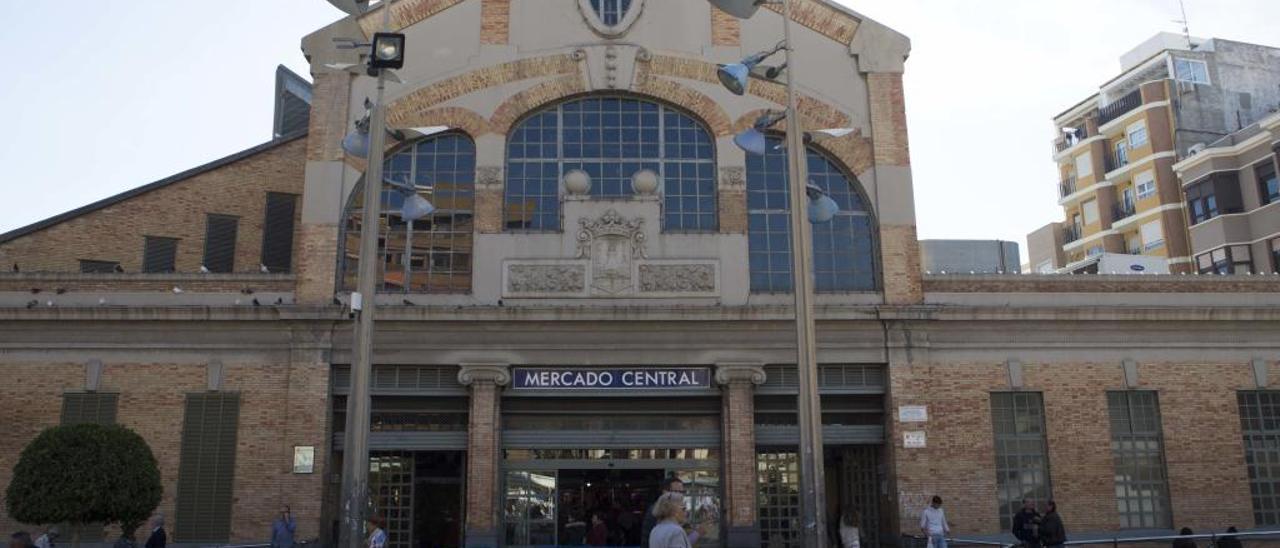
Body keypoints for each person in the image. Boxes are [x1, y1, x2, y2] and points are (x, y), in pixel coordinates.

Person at [641, 476, 686, 545]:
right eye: (676, 492)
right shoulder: (656, 511)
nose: (679, 495)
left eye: (682, 492)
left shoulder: (661, 526)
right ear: (665, 492)